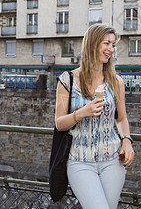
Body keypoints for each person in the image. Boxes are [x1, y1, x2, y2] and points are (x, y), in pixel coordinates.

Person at [55, 24, 135, 209]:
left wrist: (127, 140)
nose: (111, 50)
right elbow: (59, 123)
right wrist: (82, 112)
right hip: (80, 161)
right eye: (106, 43)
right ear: (92, 44)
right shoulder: (68, 80)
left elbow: (121, 119)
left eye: (113, 45)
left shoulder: (116, 82)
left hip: (113, 161)